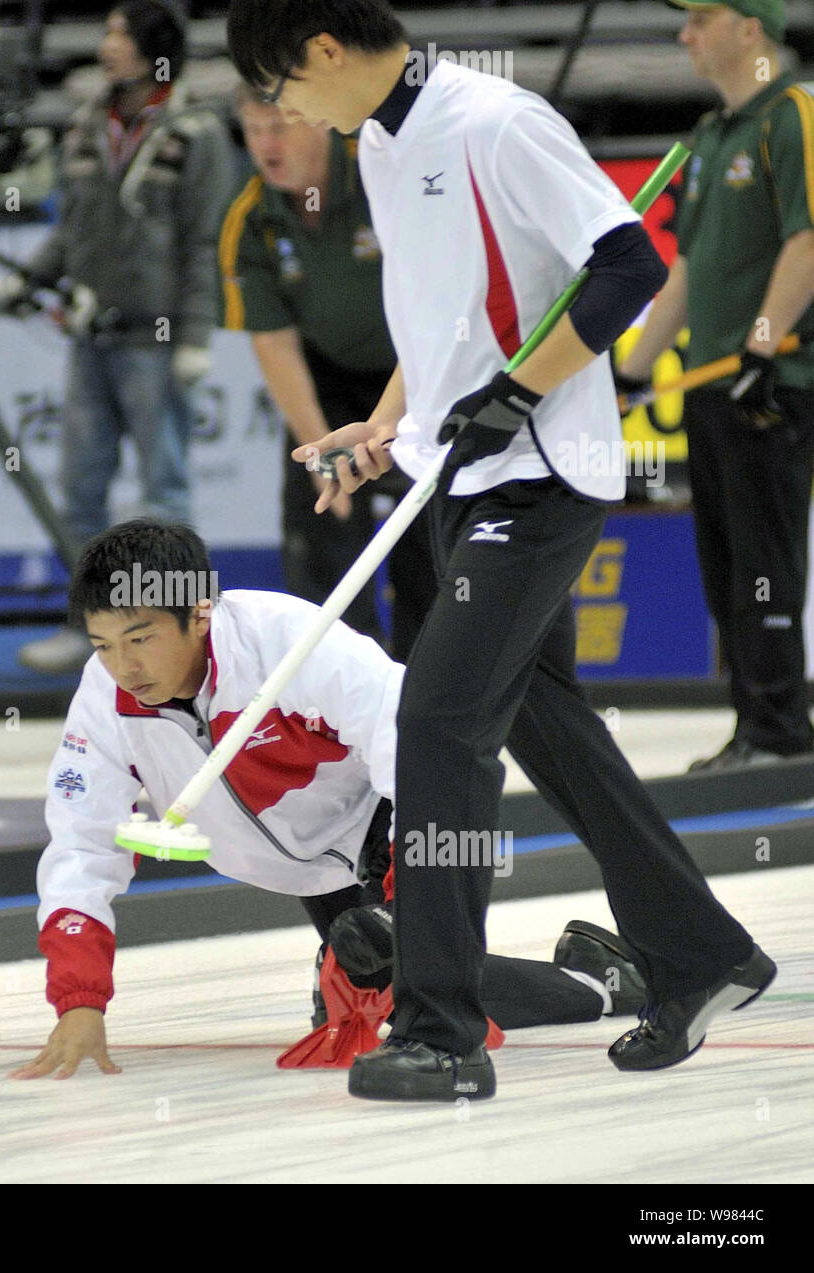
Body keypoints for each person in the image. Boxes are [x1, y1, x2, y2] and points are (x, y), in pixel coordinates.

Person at [227, 0, 775, 1102]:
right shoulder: (380, 139)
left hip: (534, 476)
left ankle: (440, 1030)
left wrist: (521, 388)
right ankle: (704, 954)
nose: (282, 114)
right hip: (458, 475)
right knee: (546, 725)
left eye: (282, 89)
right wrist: (386, 423)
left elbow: (623, 269)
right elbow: (443, 329)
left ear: (326, 51)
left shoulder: (497, 124)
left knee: (435, 722)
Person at [13, 521, 647, 1079]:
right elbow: (82, 845)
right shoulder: (105, 699)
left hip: (387, 820)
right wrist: (80, 1001)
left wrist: (409, 905)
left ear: (200, 612)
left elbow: (423, 752)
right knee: (367, 975)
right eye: (102, 645)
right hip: (307, 865)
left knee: (400, 981)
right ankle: (587, 967)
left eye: (140, 638)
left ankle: (600, 984)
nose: (123, 667)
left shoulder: (291, 641)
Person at [618, 0, 814, 771]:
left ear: (750, 27)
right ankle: (756, 727)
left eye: (701, 18)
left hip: (768, 379)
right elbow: (688, 269)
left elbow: (808, 237)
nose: (684, 35)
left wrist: (762, 347)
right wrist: (631, 371)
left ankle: (780, 733)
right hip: (714, 380)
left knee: (764, 559)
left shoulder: (793, 116)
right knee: (727, 562)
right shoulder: (709, 136)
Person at [13, 1, 234, 674]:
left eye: (118, 34)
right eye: (105, 30)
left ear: (152, 48)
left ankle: (177, 633)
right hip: (91, 336)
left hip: (156, 340)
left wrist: (195, 333)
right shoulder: (86, 123)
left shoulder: (196, 131)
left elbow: (205, 243)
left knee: (164, 493)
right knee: (81, 488)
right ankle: (91, 628)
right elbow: (71, 226)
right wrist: (25, 280)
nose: (106, 45)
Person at [222, 84, 436, 656]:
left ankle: (426, 699)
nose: (265, 144)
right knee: (321, 533)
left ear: (316, 122)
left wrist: (397, 417)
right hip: (328, 383)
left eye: (279, 127)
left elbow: (440, 293)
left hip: (422, 370)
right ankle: (339, 699)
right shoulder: (251, 220)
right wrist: (318, 450)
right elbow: (276, 345)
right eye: (252, 129)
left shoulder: (380, 175)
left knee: (431, 541)